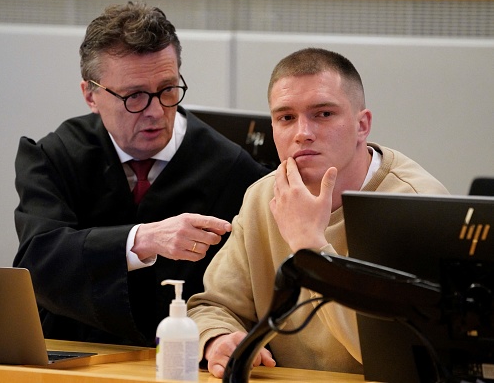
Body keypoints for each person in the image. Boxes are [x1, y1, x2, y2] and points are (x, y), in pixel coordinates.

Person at [13, 2, 270, 348]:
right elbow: (38, 261)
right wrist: (140, 240)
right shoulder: (54, 157)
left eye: (167, 90)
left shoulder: (232, 169)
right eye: (134, 96)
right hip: (74, 353)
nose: (155, 111)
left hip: (184, 358)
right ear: (91, 94)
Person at [187, 47, 449, 377]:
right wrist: (218, 339)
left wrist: (309, 245)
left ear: (362, 124)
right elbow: (213, 305)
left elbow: (404, 358)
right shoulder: (264, 196)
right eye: (286, 118)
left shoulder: (415, 204)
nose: (302, 133)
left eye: (323, 114)